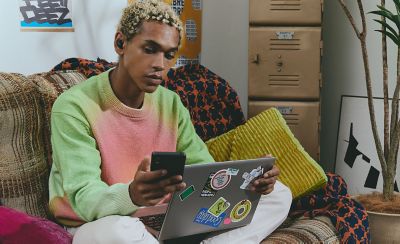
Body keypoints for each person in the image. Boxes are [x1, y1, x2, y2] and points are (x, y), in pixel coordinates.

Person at [48, 0, 292, 243]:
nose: (160, 65)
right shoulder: (74, 106)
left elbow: (203, 170)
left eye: (169, 55)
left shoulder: (171, 103)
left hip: (166, 217)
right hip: (101, 222)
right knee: (118, 233)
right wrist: (132, 194)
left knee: (279, 195)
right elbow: (83, 197)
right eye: (150, 49)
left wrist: (247, 184)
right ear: (121, 43)